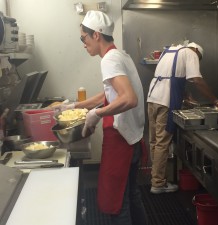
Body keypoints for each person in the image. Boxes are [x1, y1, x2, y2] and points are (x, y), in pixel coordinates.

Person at [55, 10, 148, 225]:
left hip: (121, 141)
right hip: (133, 140)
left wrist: (96, 114)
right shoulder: (120, 55)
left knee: (116, 204)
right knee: (132, 196)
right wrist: (76, 105)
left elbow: (129, 98)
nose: (83, 43)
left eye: (83, 38)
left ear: (96, 35)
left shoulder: (109, 60)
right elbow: (108, 93)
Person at [147, 42, 218, 194]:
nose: (196, 61)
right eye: (198, 59)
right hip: (166, 101)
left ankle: (156, 178)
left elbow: (170, 76)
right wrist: (215, 100)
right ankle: (158, 184)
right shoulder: (191, 53)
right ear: (197, 51)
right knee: (162, 143)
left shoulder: (170, 51)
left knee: (154, 141)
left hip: (152, 99)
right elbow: (197, 80)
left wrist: (185, 95)